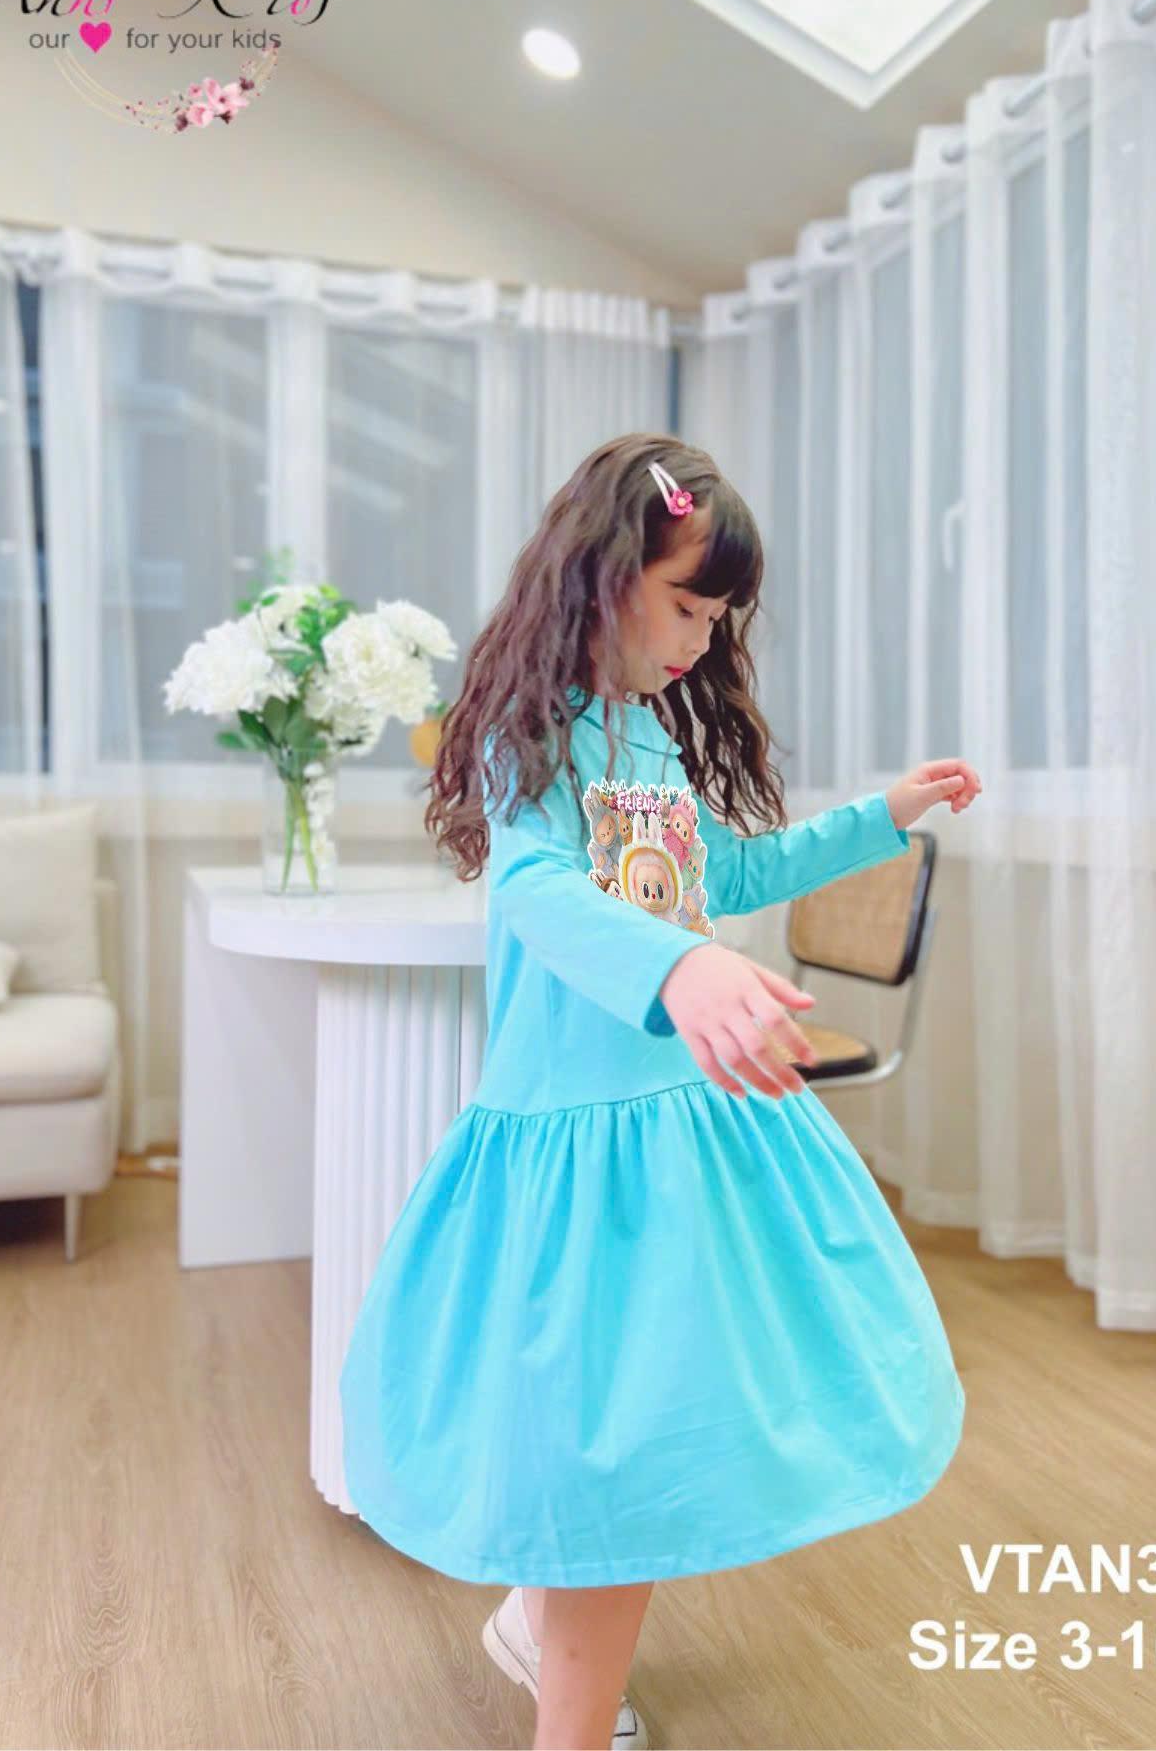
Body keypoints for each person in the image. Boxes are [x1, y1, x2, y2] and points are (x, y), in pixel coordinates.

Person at [339, 434, 980, 1751]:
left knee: (631, 1434)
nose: (703, 638)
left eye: (719, 617)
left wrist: (882, 814)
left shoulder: (648, 739)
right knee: (603, 1455)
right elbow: (536, 887)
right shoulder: (530, 735)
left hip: (685, 1133)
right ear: (604, 576)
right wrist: (677, 971)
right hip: (584, 1146)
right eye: (688, 604)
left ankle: (541, 1640)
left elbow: (724, 879)